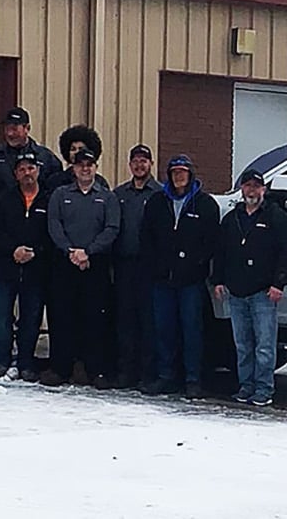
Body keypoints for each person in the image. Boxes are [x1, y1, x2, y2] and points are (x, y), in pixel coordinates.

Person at [140, 154, 221, 398]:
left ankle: (193, 379)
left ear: (191, 174)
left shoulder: (205, 204)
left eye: (183, 172)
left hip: (191, 281)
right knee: (164, 330)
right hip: (162, 279)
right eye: (175, 172)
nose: (179, 176)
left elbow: (212, 242)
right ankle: (166, 376)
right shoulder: (157, 202)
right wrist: (155, 266)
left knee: (192, 330)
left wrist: (196, 264)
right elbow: (146, 238)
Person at [214, 169, 287, 406]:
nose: (252, 190)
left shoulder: (276, 217)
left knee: (265, 346)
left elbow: (285, 252)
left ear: (264, 190)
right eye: (247, 186)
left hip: (264, 293)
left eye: (256, 186)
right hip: (236, 292)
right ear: (242, 190)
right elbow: (221, 252)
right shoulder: (231, 219)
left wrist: (278, 283)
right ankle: (245, 386)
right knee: (242, 346)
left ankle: (263, 389)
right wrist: (218, 280)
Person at [46, 148, 122, 387]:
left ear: (95, 167)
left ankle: (96, 369)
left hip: (95, 265)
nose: (85, 169)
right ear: (73, 168)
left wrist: (88, 251)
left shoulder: (106, 197)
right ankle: (60, 368)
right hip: (65, 263)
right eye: (80, 165)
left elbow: (112, 228)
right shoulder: (60, 194)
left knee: (95, 319)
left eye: (89, 164)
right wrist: (71, 250)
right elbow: (54, 224)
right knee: (62, 317)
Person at [0, 153, 52, 380]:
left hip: (36, 268)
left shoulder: (48, 199)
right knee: (1, 316)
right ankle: (1, 359)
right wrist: (13, 250)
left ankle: (26, 361)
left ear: (38, 171)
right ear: (16, 174)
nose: (27, 173)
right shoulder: (4, 199)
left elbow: (52, 233)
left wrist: (35, 251)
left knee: (31, 317)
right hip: (7, 266)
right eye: (22, 169)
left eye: (31, 168)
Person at [110, 143, 163, 389]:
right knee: (125, 320)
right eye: (135, 161)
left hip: (149, 267)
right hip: (123, 265)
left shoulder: (161, 194)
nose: (139, 165)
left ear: (151, 164)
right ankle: (125, 371)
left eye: (144, 161)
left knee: (148, 321)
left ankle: (148, 373)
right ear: (129, 164)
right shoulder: (119, 194)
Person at [0, 107, 62, 190]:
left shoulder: (46, 158)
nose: (10, 134)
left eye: (14, 129)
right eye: (7, 129)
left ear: (27, 128)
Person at [55, 125, 109, 191]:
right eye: (73, 149)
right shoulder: (57, 180)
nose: (76, 152)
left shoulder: (100, 182)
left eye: (81, 149)